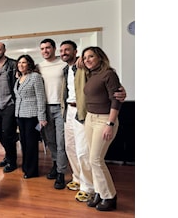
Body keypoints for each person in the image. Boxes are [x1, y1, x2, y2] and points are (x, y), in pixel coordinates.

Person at [59, 40, 127, 202]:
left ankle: (94, 189)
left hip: (89, 114)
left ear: (76, 52)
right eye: (61, 50)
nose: (63, 53)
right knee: (75, 150)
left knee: (88, 155)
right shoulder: (72, 70)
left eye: (67, 50)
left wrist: (121, 92)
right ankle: (88, 184)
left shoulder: (91, 69)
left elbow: (111, 87)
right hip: (76, 112)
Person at [81, 46, 122, 212]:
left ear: (100, 57)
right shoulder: (91, 74)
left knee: (96, 160)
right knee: (93, 160)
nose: (87, 60)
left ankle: (110, 196)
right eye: (85, 58)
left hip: (104, 120)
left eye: (91, 56)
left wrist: (110, 124)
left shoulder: (109, 74)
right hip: (90, 118)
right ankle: (99, 192)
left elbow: (116, 100)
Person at [37, 38, 68, 189]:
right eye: (42, 48)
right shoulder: (39, 67)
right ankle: (56, 164)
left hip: (61, 108)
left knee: (61, 141)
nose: (45, 51)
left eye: (48, 48)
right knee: (50, 141)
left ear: (54, 48)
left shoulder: (64, 64)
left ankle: (61, 173)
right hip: (44, 108)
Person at [13, 55, 47, 179]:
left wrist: (42, 117)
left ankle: (32, 170)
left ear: (29, 64)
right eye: (19, 62)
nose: (21, 65)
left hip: (32, 116)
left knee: (32, 143)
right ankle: (26, 166)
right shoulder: (19, 78)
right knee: (24, 143)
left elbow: (40, 97)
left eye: (24, 62)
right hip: (20, 115)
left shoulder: (35, 77)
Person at [0, 42, 18, 173]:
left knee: (8, 133)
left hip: (10, 104)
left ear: (4, 50)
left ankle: (13, 161)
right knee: (0, 134)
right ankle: (8, 156)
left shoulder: (13, 64)